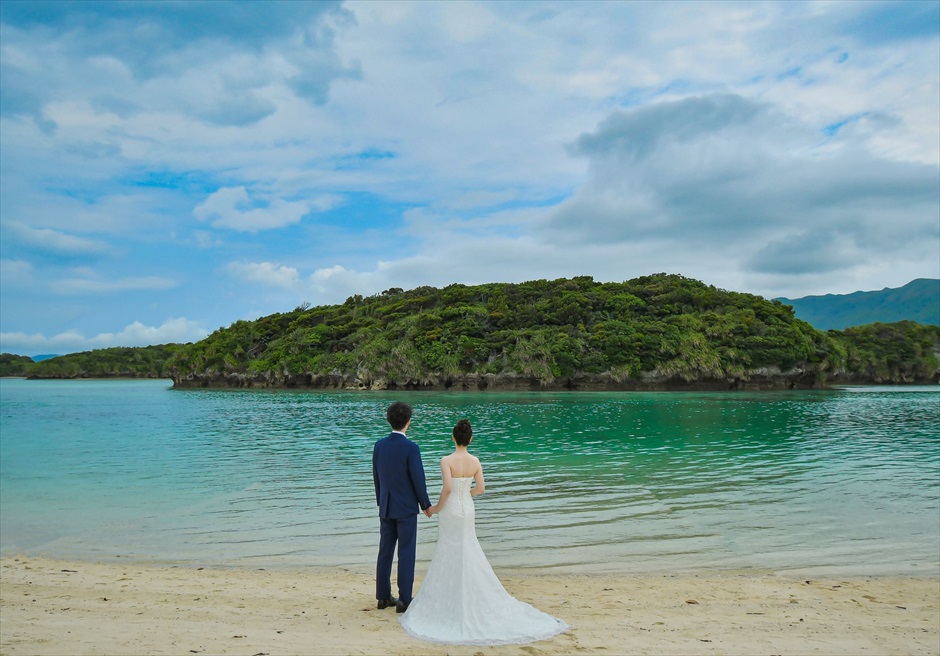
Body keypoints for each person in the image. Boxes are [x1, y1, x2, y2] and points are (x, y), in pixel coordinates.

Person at [400, 419, 569, 645]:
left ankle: (449, 597)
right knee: (469, 547)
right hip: (468, 509)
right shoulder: (475, 461)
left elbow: (448, 488)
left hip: (450, 510)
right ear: (470, 439)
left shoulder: (446, 460)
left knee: (448, 548)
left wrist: (436, 509)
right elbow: (480, 489)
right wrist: (466, 492)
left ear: (453, 437)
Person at [373, 401, 433, 613]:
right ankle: (404, 599)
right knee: (406, 552)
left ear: (389, 420)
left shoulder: (379, 445)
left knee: (385, 552)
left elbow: (377, 478)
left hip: (386, 506)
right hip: (406, 508)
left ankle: (382, 597)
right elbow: (418, 479)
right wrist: (425, 504)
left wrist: (381, 502)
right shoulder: (411, 448)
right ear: (408, 422)